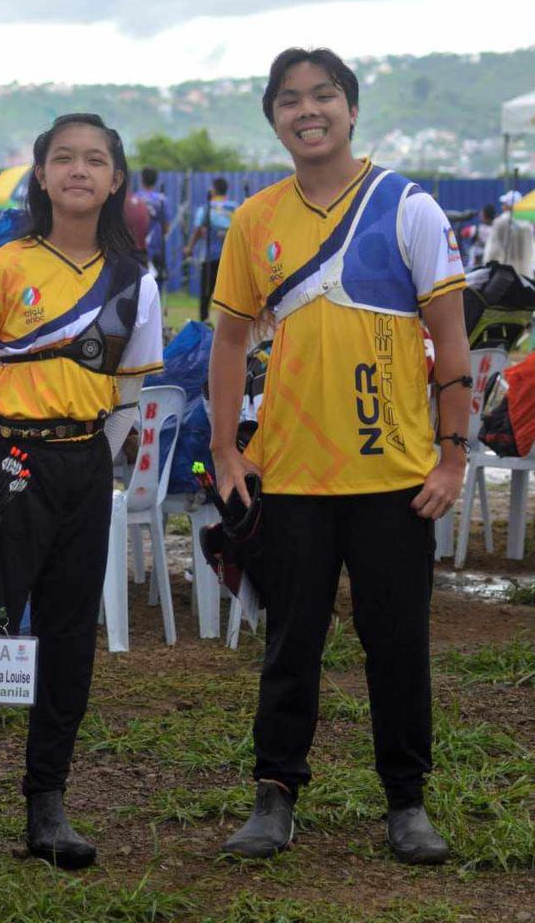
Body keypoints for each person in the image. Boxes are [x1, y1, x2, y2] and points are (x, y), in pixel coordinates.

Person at [209, 48, 471, 865]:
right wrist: (226, 450)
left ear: (352, 110)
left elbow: (453, 340)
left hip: (395, 477)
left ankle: (407, 802)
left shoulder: (407, 207)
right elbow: (226, 341)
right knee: (290, 642)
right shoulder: (256, 219)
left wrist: (452, 459)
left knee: (398, 643)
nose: (307, 109)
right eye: (290, 99)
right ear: (275, 119)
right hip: (289, 474)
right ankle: (274, 795)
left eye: (324, 95)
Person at [0, 113, 163, 883]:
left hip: (84, 470)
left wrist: (99, 461)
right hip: (7, 468)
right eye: (65, 158)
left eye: (96, 159)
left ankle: (46, 809)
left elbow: (129, 396)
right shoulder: (1, 265)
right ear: (42, 174)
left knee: (67, 640)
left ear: (117, 178)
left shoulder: (137, 280)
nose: (80, 171)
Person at [183, 177, 237, 322]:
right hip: (229, 258)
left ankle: (204, 321)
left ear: (213, 190)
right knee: (228, 294)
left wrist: (189, 247)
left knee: (206, 292)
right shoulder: (234, 207)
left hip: (209, 257)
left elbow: (198, 230)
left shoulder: (206, 207)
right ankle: (228, 323)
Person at [483, 191, 534, 277]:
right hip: (526, 274)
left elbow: (492, 250)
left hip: (505, 274)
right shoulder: (527, 225)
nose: (502, 206)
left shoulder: (500, 222)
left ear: (507, 206)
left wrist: (487, 267)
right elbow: (531, 250)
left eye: (504, 203)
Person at [134, 166, 168, 288]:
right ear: (156, 180)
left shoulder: (135, 198)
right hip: (155, 245)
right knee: (155, 279)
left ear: (141, 178)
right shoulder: (161, 200)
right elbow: (166, 226)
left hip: (136, 245)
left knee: (137, 279)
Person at [462, 204, 495, 270]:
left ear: (484, 215)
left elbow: (463, 233)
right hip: (491, 265)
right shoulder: (496, 229)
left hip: (475, 267)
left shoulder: (476, 229)